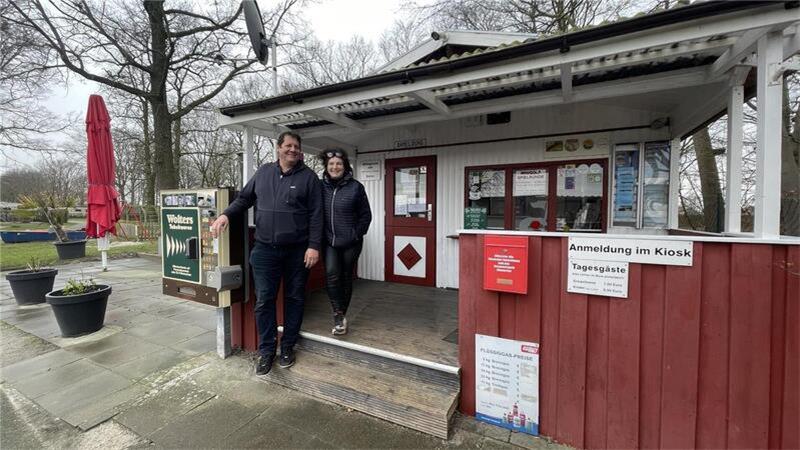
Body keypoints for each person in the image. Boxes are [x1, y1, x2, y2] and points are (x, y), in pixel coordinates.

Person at [211, 131, 322, 376]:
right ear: (278, 148)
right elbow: (243, 199)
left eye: (296, 146)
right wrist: (225, 215)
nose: (292, 150)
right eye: (288, 146)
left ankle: (288, 347)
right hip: (264, 251)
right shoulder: (263, 173)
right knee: (264, 301)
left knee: (295, 299)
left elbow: (317, 215)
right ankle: (267, 350)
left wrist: (314, 246)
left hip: (297, 251)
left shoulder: (309, 178)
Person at [319, 148, 372, 335]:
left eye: (339, 164)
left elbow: (366, 216)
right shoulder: (320, 187)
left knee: (345, 277)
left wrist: (356, 234)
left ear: (345, 166)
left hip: (351, 241)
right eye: (331, 164)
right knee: (332, 275)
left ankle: (342, 314)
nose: (335, 167)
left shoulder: (356, 187)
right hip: (329, 241)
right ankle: (338, 314)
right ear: (326, 166)